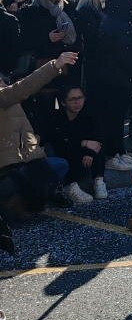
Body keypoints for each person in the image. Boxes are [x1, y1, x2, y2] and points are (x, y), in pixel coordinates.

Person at [0, 52, 78, 221]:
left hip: (28, 159)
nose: (3, 85)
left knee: (58, 165)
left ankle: (34, 200)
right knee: (25, 181)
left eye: (2, 82)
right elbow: (24, 86)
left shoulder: (11, 101)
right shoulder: (6, 96)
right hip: (8, 166)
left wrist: (35, 144)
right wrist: (54, 66)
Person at [17, 0, 78, 133]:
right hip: (43, 72)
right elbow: (23, 41)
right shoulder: (30, 13)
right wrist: (47, 38)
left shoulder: (68, 8)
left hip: (68, 69)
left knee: (66, 113)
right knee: (46, 113)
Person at [95, 0, 132, 171]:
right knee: (115, 118)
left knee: (116, 118)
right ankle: (113, 154)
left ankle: (118, 152)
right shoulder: (118, 24)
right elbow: (125, 53)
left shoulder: (110, 20)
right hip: (118, 78)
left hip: (112, 77)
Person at [42, 84, 106, 204]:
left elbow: (97, 137)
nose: (77, 102)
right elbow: (58, 140)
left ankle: (99, 179)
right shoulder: (56, 117)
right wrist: (84, 143)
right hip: (66, 153)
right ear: (63, 102)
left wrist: (89, 152)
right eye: (72, 99)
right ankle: (69, 185)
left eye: (80, 98)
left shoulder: (89, 114)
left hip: (85, 156)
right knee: (61, 150)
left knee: (97, 146)